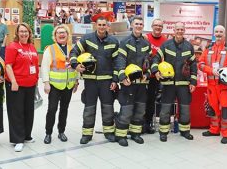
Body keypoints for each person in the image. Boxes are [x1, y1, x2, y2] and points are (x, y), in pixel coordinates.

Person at [70, 17, 119, 144]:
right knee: (89, 108)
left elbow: (117, 62)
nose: (102, 27)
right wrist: (75, 65)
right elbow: (74, 51)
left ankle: (108, 132)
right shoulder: (87, 39)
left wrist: (115, 80)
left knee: (108, 108)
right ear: (95, 26)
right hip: (90, 81)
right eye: (100, 25)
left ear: (107, 26)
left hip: (107, 81)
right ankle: (87, 134)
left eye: (104, 25)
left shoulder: (113, 41)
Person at [152, 22, 197, 142]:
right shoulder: (166, 45)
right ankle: (163, 131)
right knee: (166, 108)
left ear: (184, 30)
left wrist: (193, 82)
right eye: (178, 29)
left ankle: (185, 131)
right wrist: (155, 70)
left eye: (182, 29)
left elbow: (193, 65)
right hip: (168, 83)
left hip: (184, 84)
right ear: (174, 30)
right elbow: (156, 58)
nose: (180, 31)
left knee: (185, 109)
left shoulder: (189, 46)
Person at [199, 25, 227, 144]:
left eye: (221, 32)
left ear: (225, 34)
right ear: (214, 33)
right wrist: (210, 70)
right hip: (211, 86)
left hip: (224, 87)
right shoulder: (208, 48)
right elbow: (200, 64)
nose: (218, 34)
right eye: (216, 32)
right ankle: (214, 130)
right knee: (213, 109)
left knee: (225, 111)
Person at [114, 16, 151, 147]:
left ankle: (136, 133)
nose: (139, 26)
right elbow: (120, 60)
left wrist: (147, 74)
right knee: (127, 109)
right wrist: (122, 77)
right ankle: (121, 135)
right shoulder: (125, 42)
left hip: (141, 84)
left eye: (141, 24)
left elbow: (149, 62)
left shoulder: (146, 44)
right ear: (131, 25)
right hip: (128, 83)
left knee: (140, 109)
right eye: (136, 24)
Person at [41, 25, 79, 144]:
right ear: (55, 36)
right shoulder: (50, 49)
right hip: (54, 85)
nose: (62, 35)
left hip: (68, 85)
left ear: (68, 35)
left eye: (64, 33)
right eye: (59, 33)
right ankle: (48, 133)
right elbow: (45, 67)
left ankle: (61, 131)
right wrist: (46, 83)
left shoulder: (73, 49)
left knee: (64, 109)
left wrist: (76, 81)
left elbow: (76, 66)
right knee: (52, 109)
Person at [5, 23, 39, 152]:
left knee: (28, 112)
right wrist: (13, 81)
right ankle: (17, 139)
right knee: (16, 113)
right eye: (21, 31)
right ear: (17, 33)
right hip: (16, 86)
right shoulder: (12, 47)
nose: (24, 34)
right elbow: (8, 65)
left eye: (26, 31)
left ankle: (26, 135)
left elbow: (35, 65)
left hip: (30, 85)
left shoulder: (31, 47)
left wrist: (36, 80)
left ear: (29, 33)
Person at [143, 18, 167, 134]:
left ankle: (148, 123)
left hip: (156, 77)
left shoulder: (165, 40)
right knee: (141, 100)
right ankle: (137, 122)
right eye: (156, 25)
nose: (158, 27)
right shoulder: (145, 38)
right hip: (144, 75)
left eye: (160, 26)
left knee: (151, 101)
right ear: (152, 26)